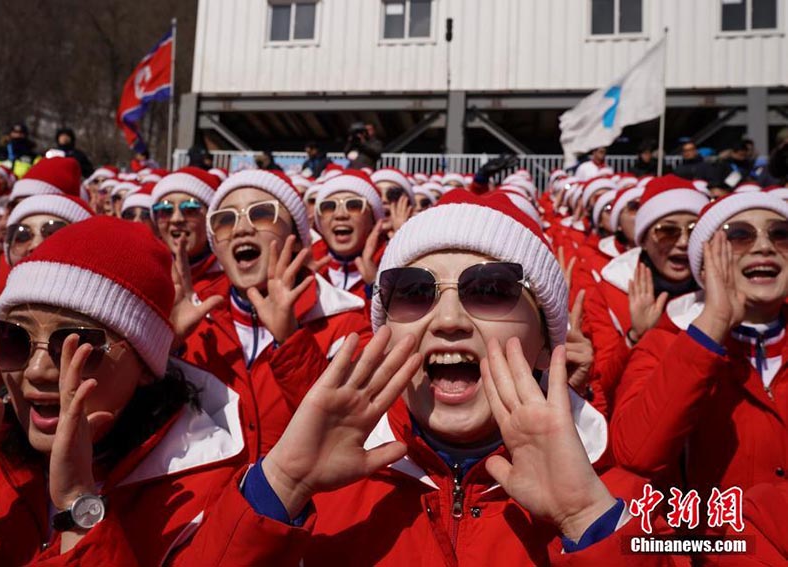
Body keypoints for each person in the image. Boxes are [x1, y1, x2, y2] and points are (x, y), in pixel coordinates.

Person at [227, 190, 665, 565]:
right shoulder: (317, 488)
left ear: (549, 343)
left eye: (491, 290)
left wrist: (587, 520)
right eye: (416, 292)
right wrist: (281, 487)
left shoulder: (618, 500)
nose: (449, 319)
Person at [0, 217, 249, 565]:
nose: (37, 370)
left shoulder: (207, 497)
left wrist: (77, 506)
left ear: (145, 367)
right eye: (13, 338)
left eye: (79, 346)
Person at [181, 169, 372, 460]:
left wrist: (291, 339)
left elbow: (343, 435)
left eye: (260, 214)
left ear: (295, 239)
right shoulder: (195, 321)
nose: (241, 229)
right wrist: (164, 350)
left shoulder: (347, 322)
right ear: (216, 248)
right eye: (225, 220)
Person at [612, 191, 788, 498]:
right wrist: (714, 323)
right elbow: (635, 454)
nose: (764, 246)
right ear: (703, 267)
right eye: (739, 236)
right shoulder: (665, 342)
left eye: (781, 235)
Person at [582, 175, 709, 407]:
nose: (682, 242)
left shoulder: (722, 290)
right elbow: (604, 385)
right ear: (644, 239)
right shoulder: (610, 289)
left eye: (693, 230)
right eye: (667, 231)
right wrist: (634, 338)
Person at [311, 170, 386, 301]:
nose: (340, 214)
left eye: (354, 205)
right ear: (319, 225)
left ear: (373, 221)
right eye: (328, 206)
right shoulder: (304, 265)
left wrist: (376, 285)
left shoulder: (394, 267)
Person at [151, 167, 223, 294]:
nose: (176, 219)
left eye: (190, 208)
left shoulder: (231, 278)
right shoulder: (148, 271)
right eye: (165, 209)